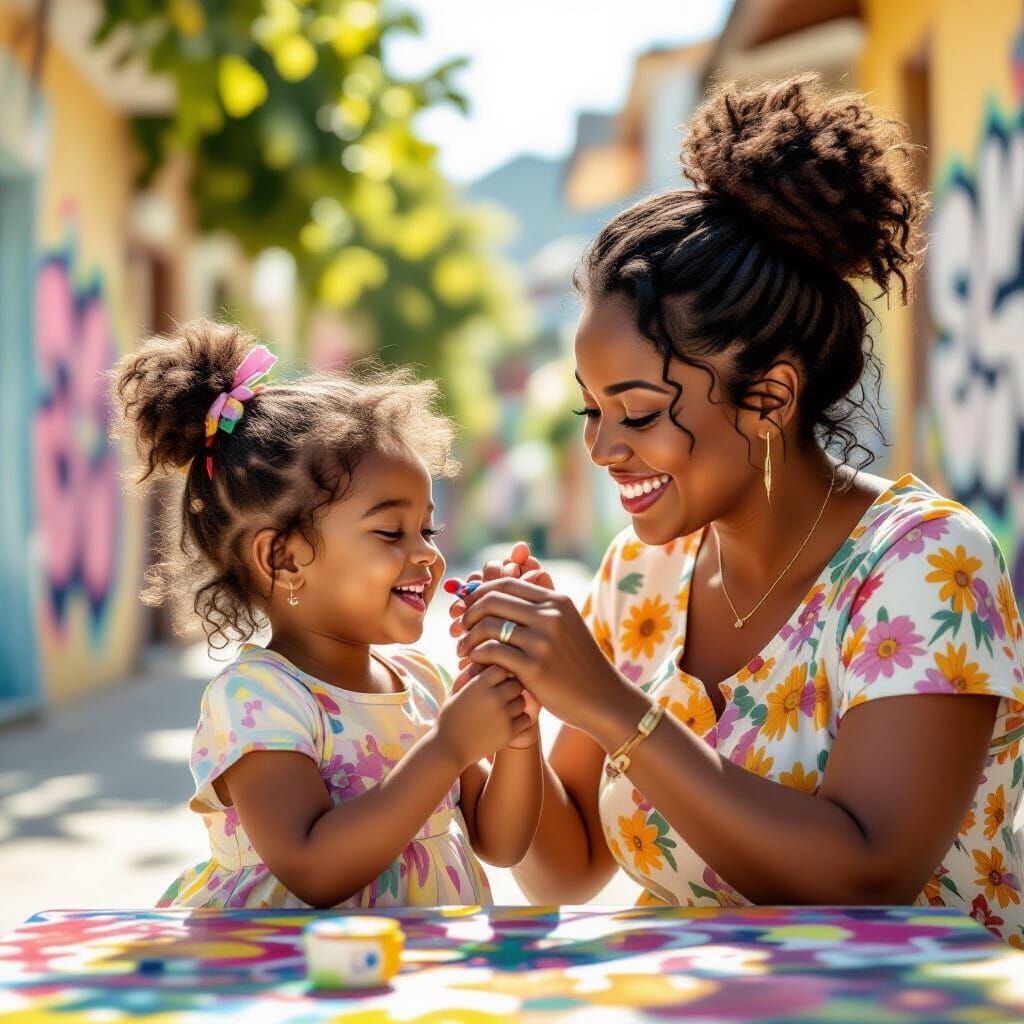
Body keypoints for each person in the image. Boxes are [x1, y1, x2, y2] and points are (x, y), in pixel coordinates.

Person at [450, 76, 1024, 944]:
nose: (603, 449)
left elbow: (870, 875)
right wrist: (516, 716)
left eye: (638, 412)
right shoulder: (640, 577)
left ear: (769, 397)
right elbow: (568, 868)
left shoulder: (924, 565)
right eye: (590, 412)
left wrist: (611, 707)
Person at [111, 322, 542, 909]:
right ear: (283, 557)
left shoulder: (425, 684)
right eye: (391, 531)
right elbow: (313, 868)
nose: (428, 554)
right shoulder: (258, 700)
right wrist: (447, 747)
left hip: (415, 976)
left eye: (427, 528)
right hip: (291, 979)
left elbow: (502, 842)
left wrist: (517, 725)